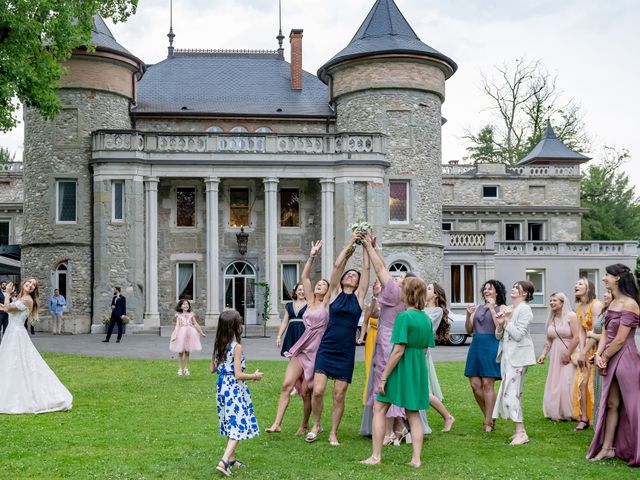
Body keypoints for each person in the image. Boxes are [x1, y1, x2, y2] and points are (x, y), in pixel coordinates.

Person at [360, 277, 434, 467]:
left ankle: (376, 456)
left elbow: (398, 350)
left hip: (400, 368)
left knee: (379, 407)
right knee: (414, 413)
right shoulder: (425, 318)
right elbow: (425, 349)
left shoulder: (403, 317)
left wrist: (384, 377)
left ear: (407, 293)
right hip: (417, 368)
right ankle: (416, 459)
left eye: (402, 287)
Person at [307, 231, 370, 446]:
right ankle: (316, 424)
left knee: (339, 394)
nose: (352, 276)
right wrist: (351, 242)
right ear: (343, 279)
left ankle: (333, 432)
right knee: (318, 391)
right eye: (349, 274)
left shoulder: (359, 298)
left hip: (345, 351)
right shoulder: (333, 294)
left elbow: (367, 269)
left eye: (355, 275)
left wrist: (366, 246)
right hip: (327, 347)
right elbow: (336, 267)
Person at [266, 241, 330, 435]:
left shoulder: (326, 304)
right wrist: (312, 255)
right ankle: (277, 423)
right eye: (318, 284)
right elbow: (304, 276)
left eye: (323, 285)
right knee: (287, 384)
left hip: (317, 350)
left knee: (307, 392)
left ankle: (304, 424)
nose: (319, 286)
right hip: (301, 348)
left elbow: (334, 279)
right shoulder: (309, 300)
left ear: (327, 291)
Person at [360, 235, 413, 441]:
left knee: (384, 384)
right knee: (395, 382)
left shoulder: (393, 292)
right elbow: (384, 268)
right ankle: (400, 429)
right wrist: (375, 247)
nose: (397, 277)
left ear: (404, 285)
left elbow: (381, 269)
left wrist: (368, 247)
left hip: (386, 342)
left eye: (401, 278)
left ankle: (390, 431)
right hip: (397, 340)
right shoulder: (405, 297)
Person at [587, 264, 640, 466]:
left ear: (617, 278)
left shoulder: (630, 304)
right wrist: (598, 355)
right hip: (610, 356)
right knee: (611, 404)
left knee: (633, 406)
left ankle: (636, 448)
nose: (604, 278)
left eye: (607, 275)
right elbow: (607, 334)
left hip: (626, 358)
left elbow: (620, 339)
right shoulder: (614, 302)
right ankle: (608, 448)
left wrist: (605, 357)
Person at [0, 279, 73, 414]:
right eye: (29, 283)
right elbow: (8, 310)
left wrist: (7, 294)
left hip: (17, 334)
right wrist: (6, 303)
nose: (30, 286)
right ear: (23, 284)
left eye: (33, 286)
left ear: (34, 290)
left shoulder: (28, 300)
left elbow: (7, 308)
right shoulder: (20, 297)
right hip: (11, 332)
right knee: (10, 363)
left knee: (19, 363)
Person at [211, 309, 263, 476]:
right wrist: (254, 376)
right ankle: (224, 461)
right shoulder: (236, 347)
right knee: (239, 425)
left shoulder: (217, 342)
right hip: (234, 388)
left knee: (230, 422)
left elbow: (212, 369)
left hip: (221, 388)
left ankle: (231, 458)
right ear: (235, 326)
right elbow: (238, 374)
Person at [492, 281, 536, 445]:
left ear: (525, 293)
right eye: (514, 286)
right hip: (507, 356)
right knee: (510, 392)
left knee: (511, 394)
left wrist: (507, 322)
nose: (513, 288)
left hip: (518, 357)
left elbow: (518, 335)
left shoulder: (525, 310)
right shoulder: (510, 308)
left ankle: (521, 432)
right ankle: (519, 430)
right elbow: (499, 336)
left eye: (517, 287)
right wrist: (501, 324)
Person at [464, 279, 507, 432]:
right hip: (476, 345)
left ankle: (488, 422)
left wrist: (492, 309)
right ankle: (490, 416)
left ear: (497, 292)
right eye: (485, 289)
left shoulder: (502, 307)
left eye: (490, 289)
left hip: (491, 345)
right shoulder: (478, 308)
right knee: (475, 385)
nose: (487, 291)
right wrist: (467, 315)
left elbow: (500, 328)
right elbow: (469, 330)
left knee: (488, 384)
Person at [537, 292, 579, 421]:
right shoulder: (552, 318)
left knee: (567, 381)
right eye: (550, 301)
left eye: (554, 300)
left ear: (562, 302)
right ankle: (556, 411)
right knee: (555, 382)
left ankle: (571, 412)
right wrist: (544, 354)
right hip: (555, 353)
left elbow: (577, 337)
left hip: (569, 351)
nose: (551, 303)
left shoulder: (571, 316)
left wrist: (567, 354)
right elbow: (549, 339)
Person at [572, 278, 603, 431]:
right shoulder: (579, 307)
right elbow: (581, 332)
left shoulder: (596, 305)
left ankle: (597, 417)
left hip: (598, 348)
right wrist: (581, 351)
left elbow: (597, 331)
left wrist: (585, 352)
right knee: (582, 383)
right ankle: (584, 418)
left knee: (594, 385)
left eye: (580, 284)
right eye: (576, 284)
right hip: (585, 349)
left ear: (589, 288)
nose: (576, 286)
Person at [424, 282, 455, 432]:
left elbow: (427, 327)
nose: (426, 290)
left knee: (423, 390)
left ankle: (448, 416)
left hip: (422, 352)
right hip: (415, 350)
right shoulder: (420, 308)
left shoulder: (436, 311)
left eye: (429, 288)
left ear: (435, 294)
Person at [587, 289, 612, 425]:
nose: (605, 294)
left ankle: (603, 429)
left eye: (609, 292)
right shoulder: (604, 311)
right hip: (599, 354)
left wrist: (591, 334)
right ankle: (598, 429)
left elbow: (609, 337)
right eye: (605, 292)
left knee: (605, 394)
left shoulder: (613, 312)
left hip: (607, 356)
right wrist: (596, 354)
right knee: (598, 392)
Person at [170, 299, 205, 376]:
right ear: (181, 306)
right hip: (181, 334)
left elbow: (196, 324)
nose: (186, 305)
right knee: (180, 352)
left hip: (190, 334)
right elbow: (177, 326)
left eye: (187, 304)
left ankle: (186, 368)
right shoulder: (178, 315)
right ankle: (180, 369)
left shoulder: (191, 315)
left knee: (187, 352)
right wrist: (175, 335)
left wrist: (201, 332)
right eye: (184, 304)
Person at [358, 283, 381, 404]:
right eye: (374, 285)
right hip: (372, 337)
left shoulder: (388, 303)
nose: (375, 286)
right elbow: (365, 322)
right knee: (370, 366)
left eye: (378, 285)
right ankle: (369, 396)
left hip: (383, 336)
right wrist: (362, 337)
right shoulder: (370, 305)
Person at [276, 282, 307, 357]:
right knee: (292, 356)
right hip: (291, 333)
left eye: (304, 290)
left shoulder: (310, 305)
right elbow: (284, 322)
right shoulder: (289, 305)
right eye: (299, 290)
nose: (302, 292)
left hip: (304, 333)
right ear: (296, 291)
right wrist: (279, 336)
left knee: (303, 356)